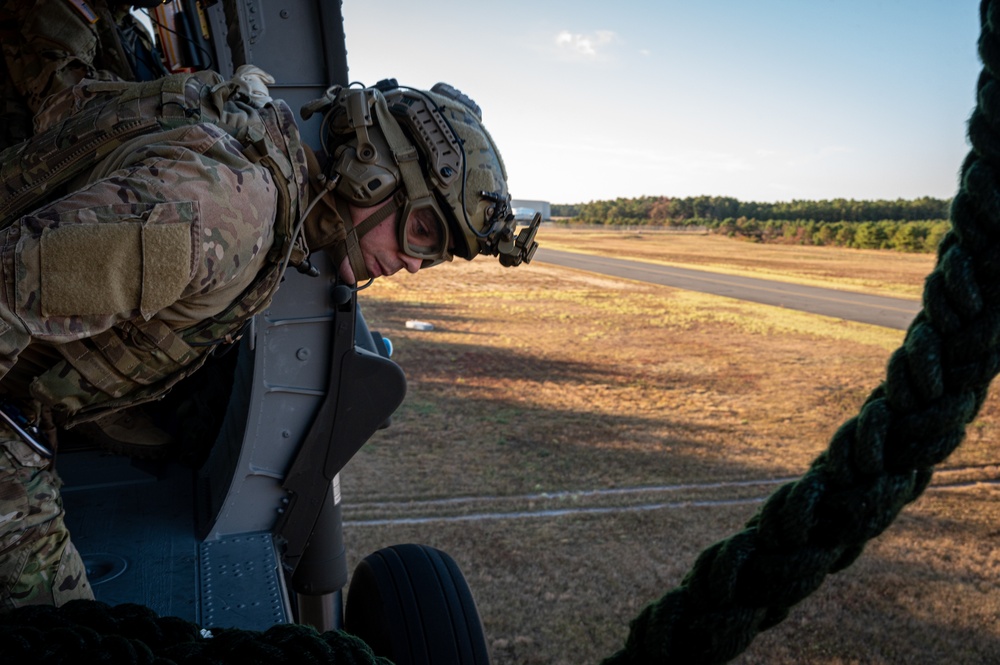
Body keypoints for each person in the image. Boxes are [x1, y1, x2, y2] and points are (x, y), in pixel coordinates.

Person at [0, 60, 538, 609]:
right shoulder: (224, 214)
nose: (416, 265)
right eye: (421, 232)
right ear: (368, 169)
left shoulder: (265, 173)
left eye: (435, 254)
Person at [0, 0, 168, 150]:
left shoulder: (131, 25)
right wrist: (170, 101)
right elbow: (70, 101)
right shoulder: (55, 8)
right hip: (41, 169)